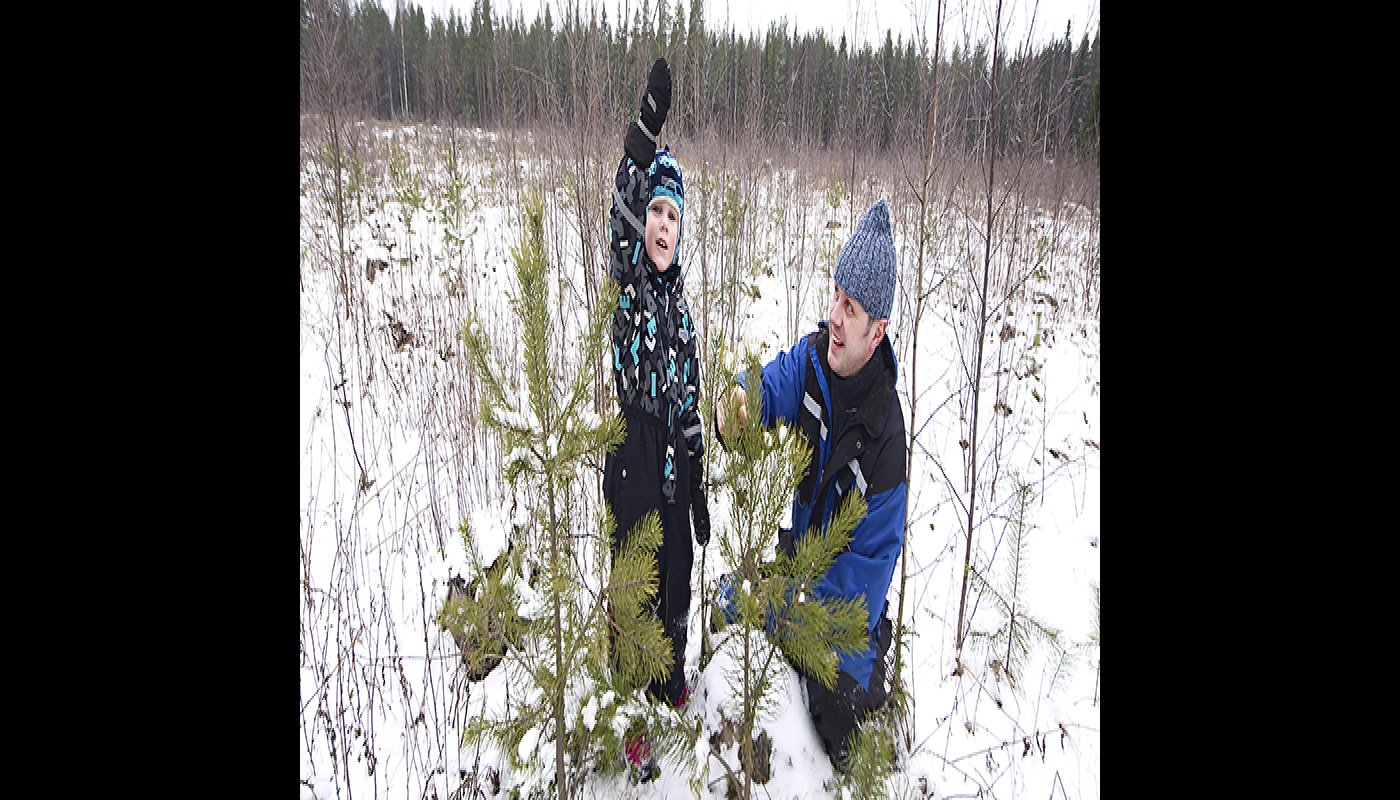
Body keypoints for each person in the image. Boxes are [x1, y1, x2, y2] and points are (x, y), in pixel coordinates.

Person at [715, 197, 906, 773]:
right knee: (726, 617)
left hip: (841, 614)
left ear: (877, 331)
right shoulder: (813, 360)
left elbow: (856, 591)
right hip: (797, 567)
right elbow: (768, 384)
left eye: (851, 308)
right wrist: (739, 400)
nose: (836, 317)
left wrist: (774, 608)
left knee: (837, 722)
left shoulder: (886, 444)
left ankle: (876, 669)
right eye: (835, 296)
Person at [603, 56, 709, 720]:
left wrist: (698, 480)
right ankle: (630, 708)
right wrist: (645, 131)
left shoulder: (683, 310)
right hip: (633, 453)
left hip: (674, 459)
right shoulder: (630, 281)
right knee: (633, 585)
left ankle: (670, 685)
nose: (663, 224)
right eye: (656, 212)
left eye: (673, 215)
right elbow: (622, 201)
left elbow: (691, 396)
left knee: (676, 576)